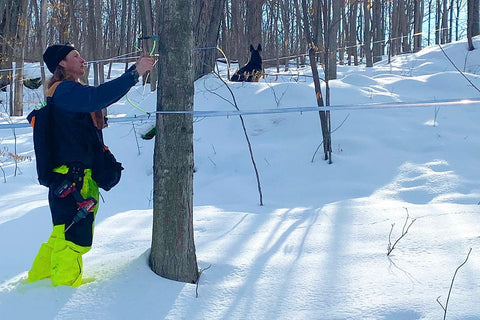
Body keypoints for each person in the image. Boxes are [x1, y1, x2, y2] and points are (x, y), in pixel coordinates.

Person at [27, 43, 154, 287]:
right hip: (74, 182)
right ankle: (62, 294)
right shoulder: (64, 91)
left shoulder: (62, 92)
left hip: (68, 180)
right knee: (74, 240)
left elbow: (92, 101)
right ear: (61, 64)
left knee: (60, 235)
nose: (83, 59)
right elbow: (96, 97)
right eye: (76, 56)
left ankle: (35, 287)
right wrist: (134, 72)